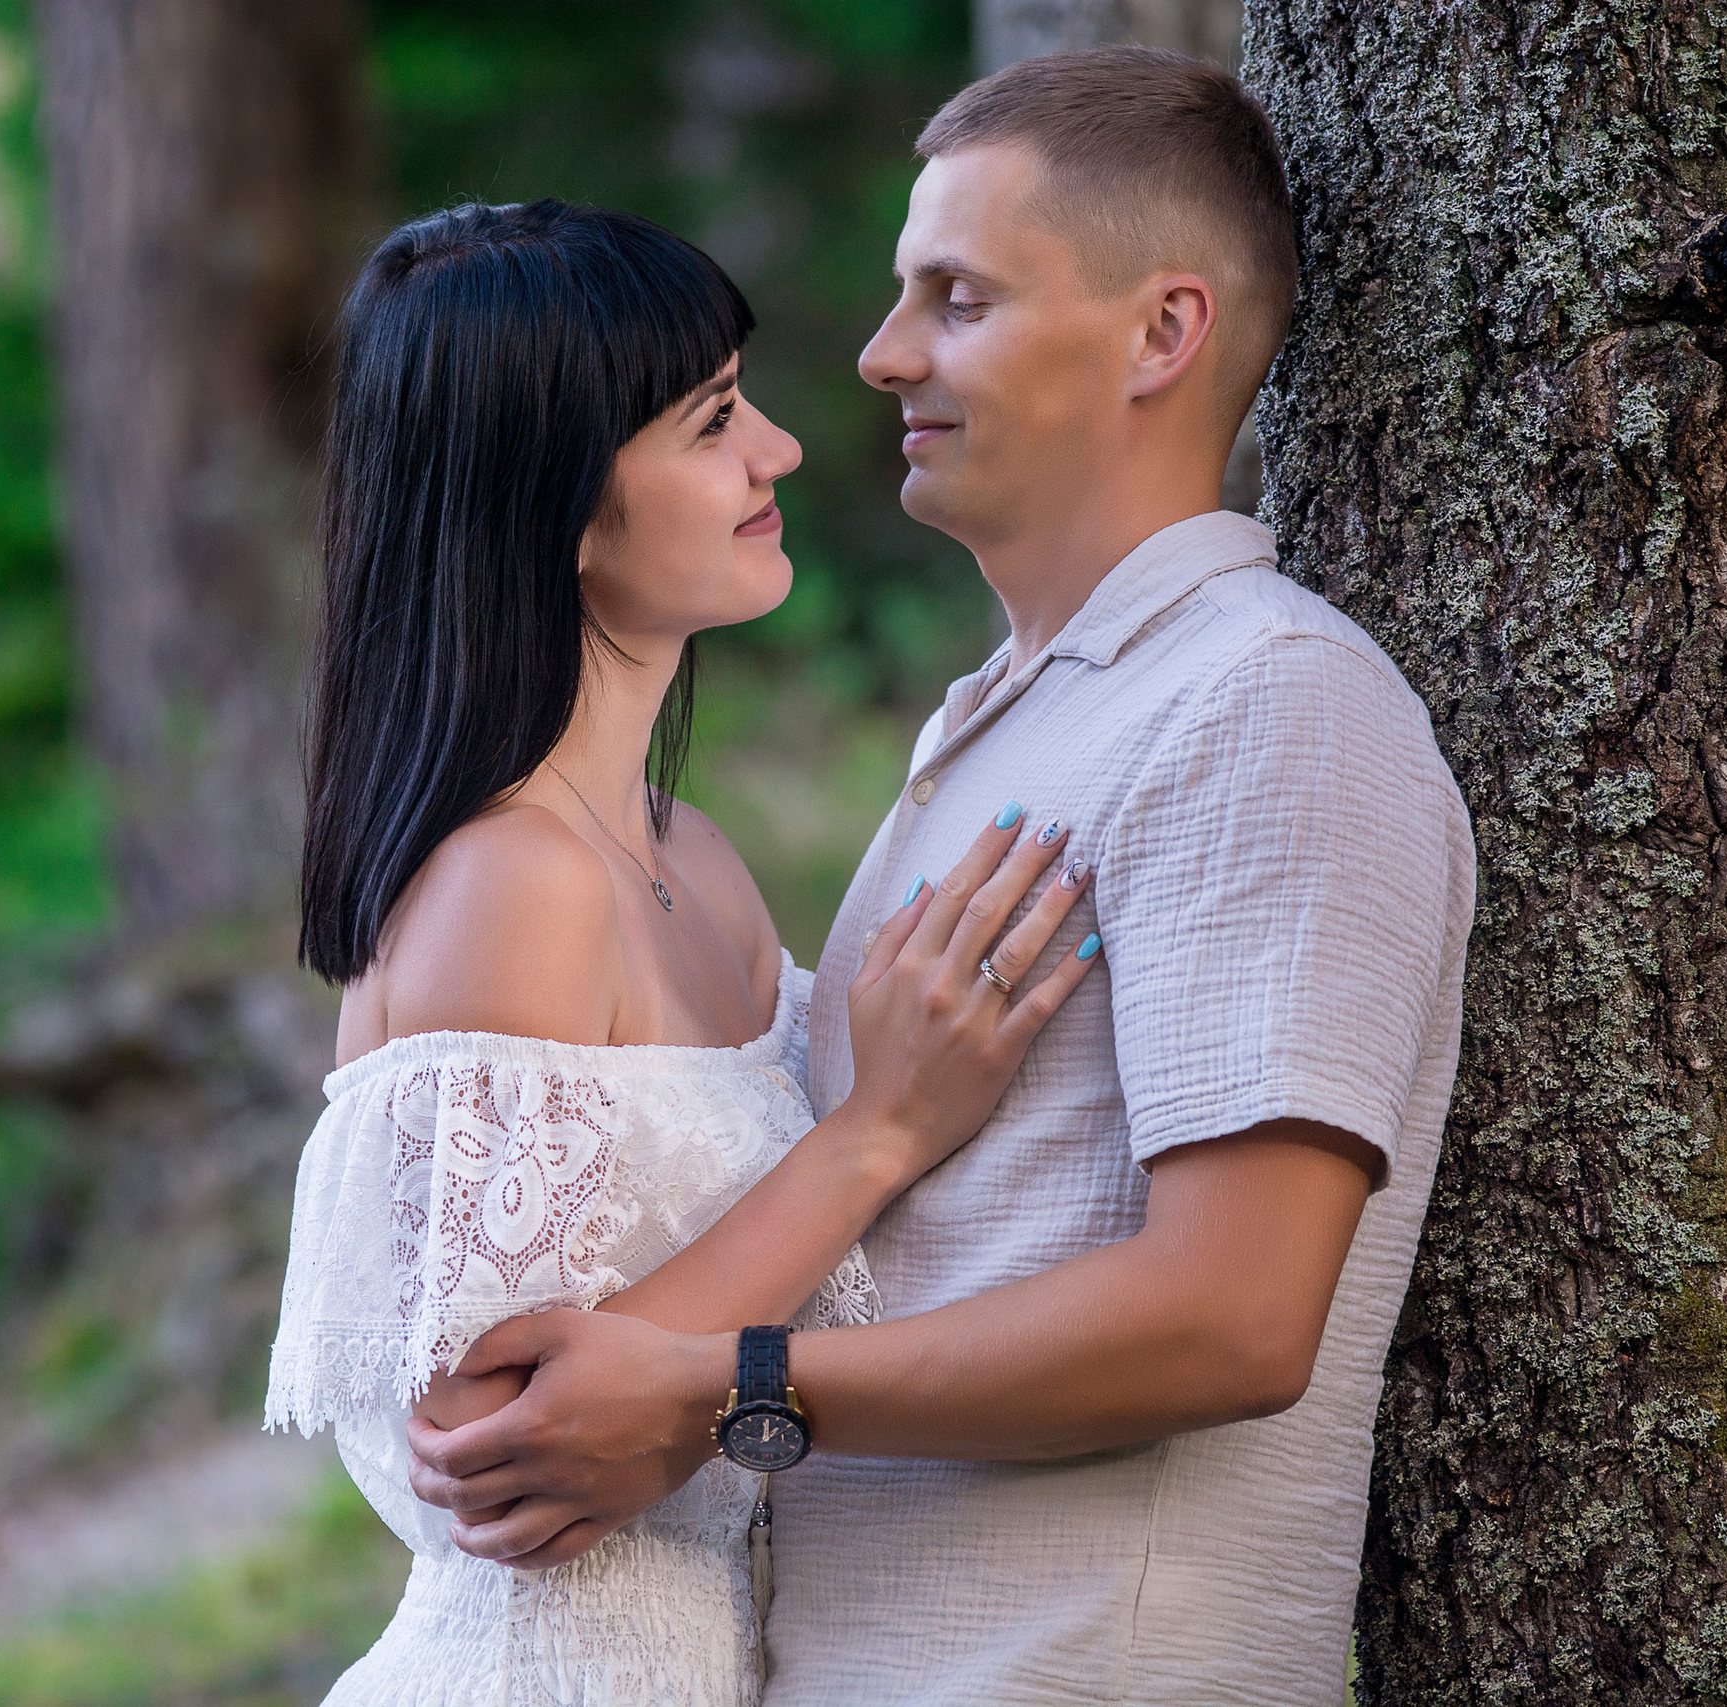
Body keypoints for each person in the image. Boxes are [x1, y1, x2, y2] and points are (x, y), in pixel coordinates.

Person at [403, 47, 1479, 1707]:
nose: (882, 351)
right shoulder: (1003, 725)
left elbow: (1235, 1316)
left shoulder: (1268, 701)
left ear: (1163, 333)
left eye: (958, 298)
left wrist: (725, 1390)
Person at [268, 198, 1103, 1706]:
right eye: (713, 421)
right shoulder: (512, 885)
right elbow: (496, 1448)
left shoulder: (691, 855)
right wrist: (876, 1132)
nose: (778, 450)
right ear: (558, 506)